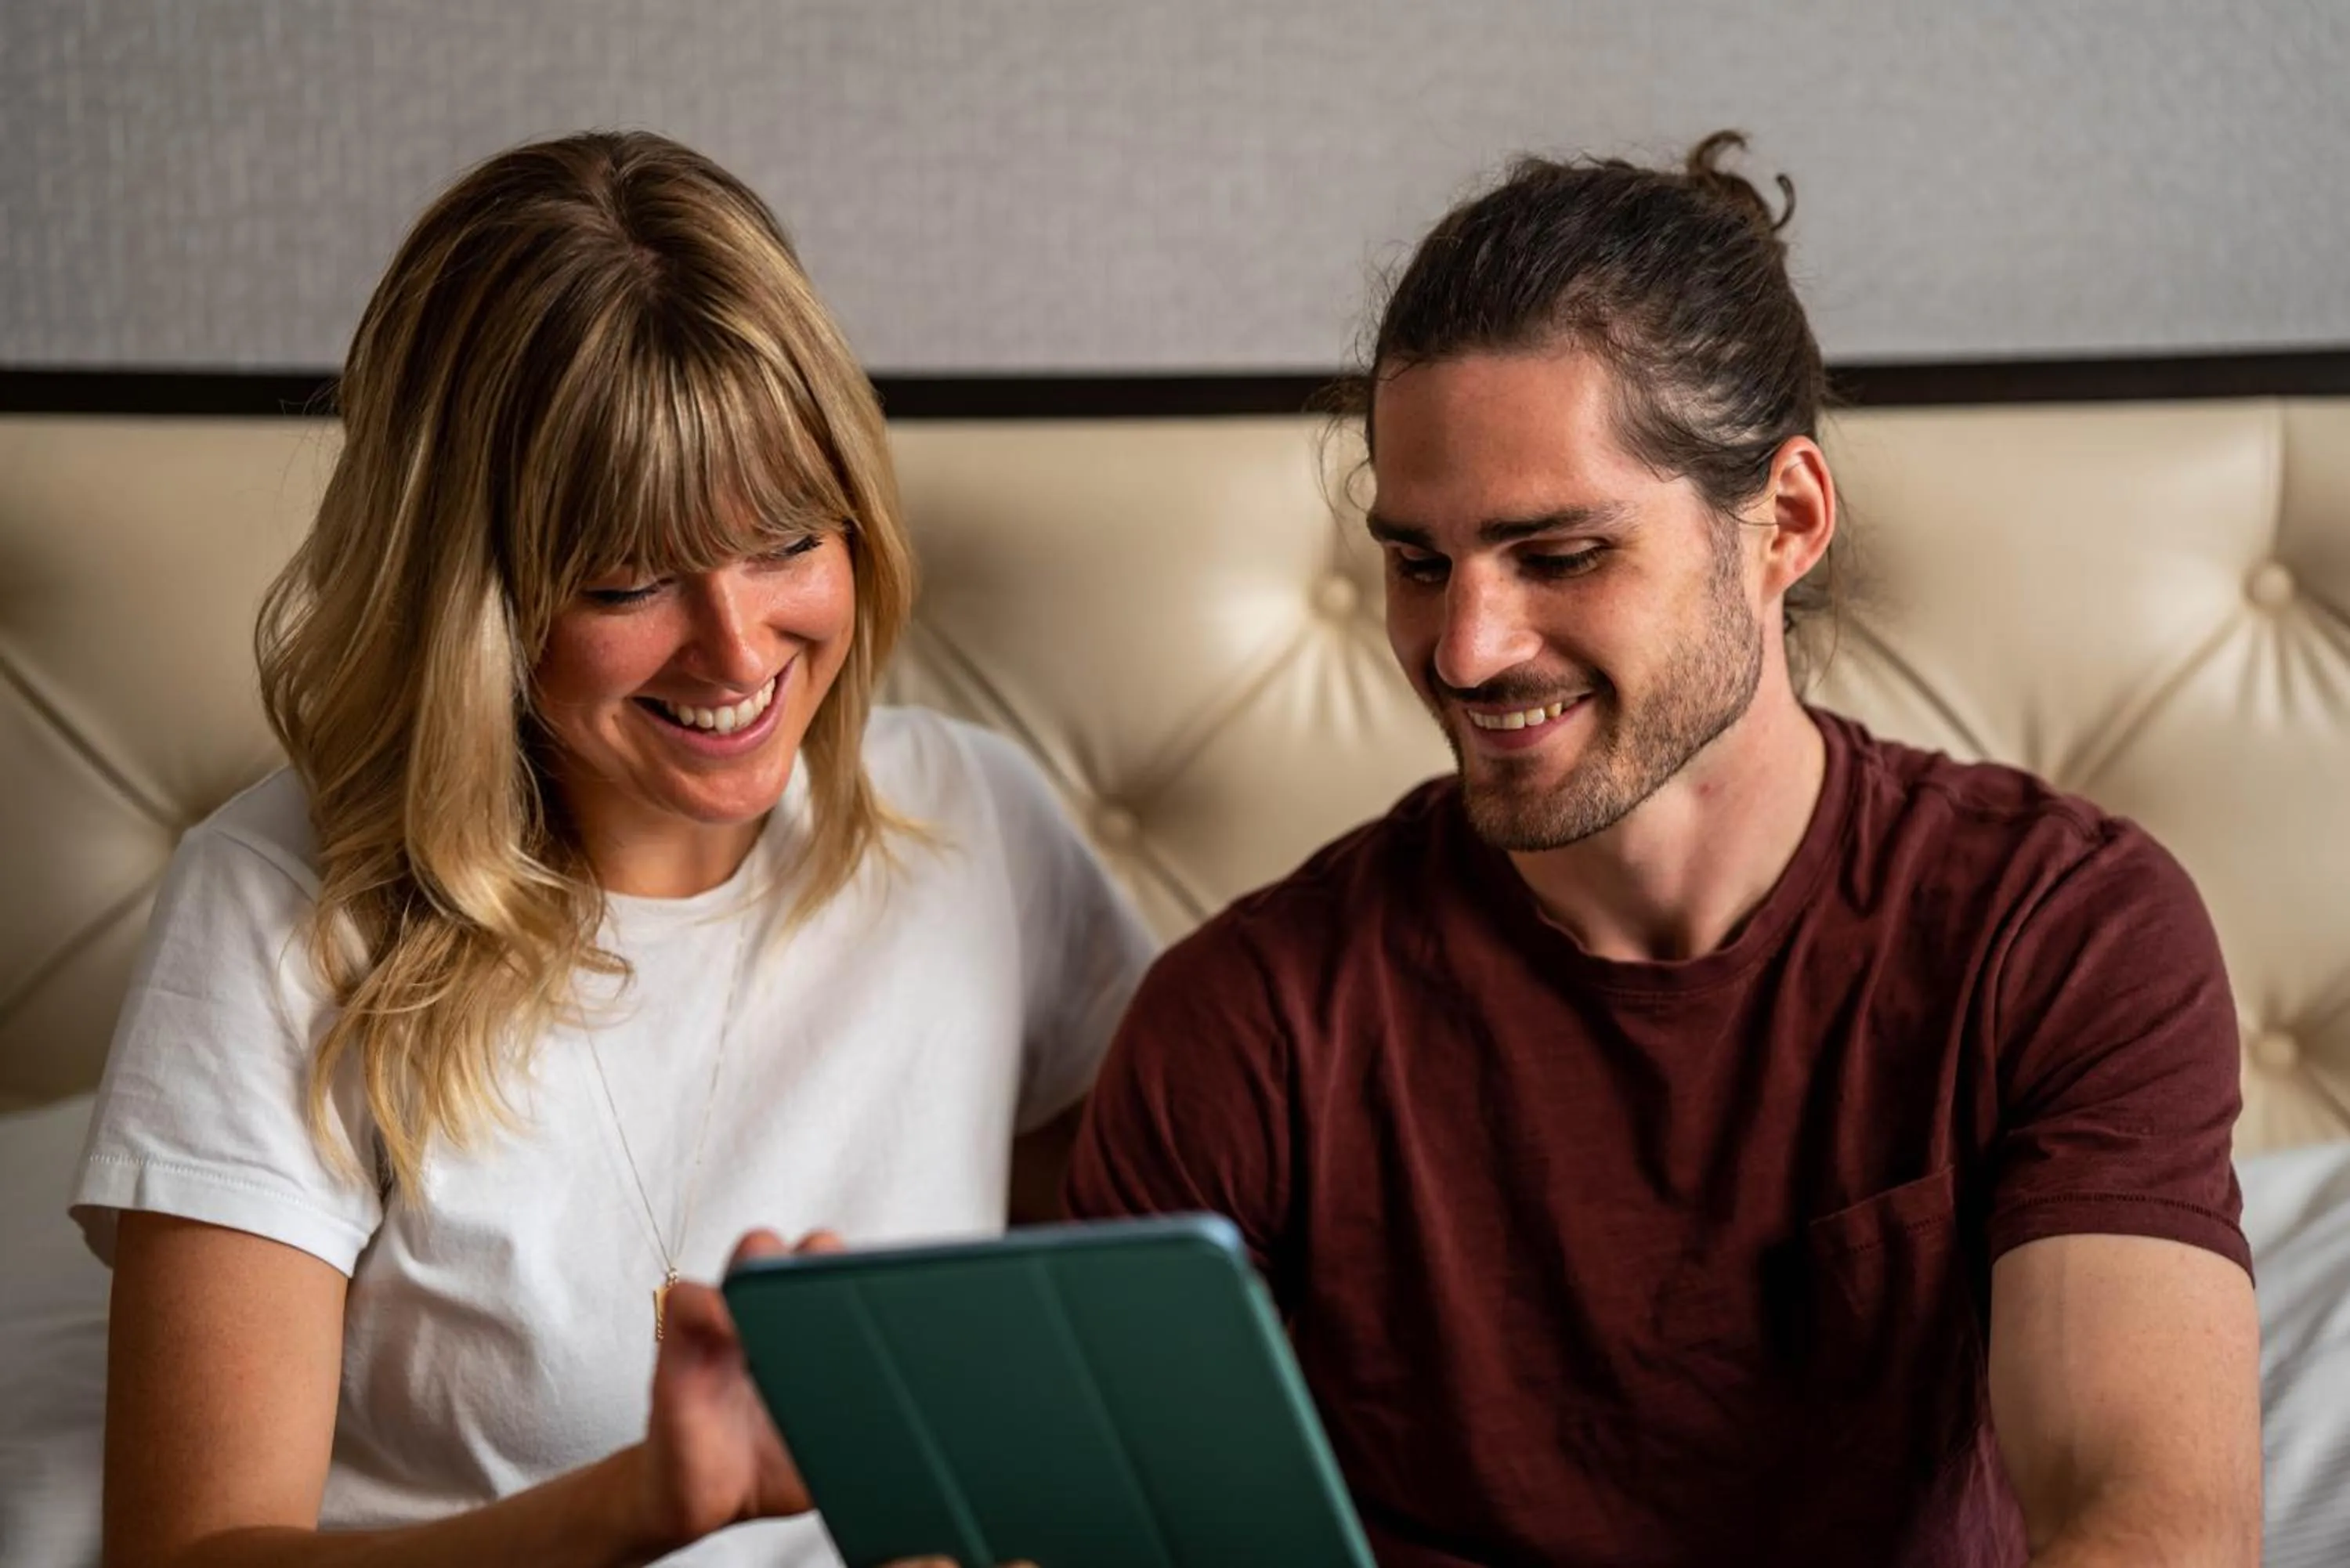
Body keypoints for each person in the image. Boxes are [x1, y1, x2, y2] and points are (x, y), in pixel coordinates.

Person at [1067, 132, 2261, 1566]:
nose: (1465, 648)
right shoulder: (1244, 1022)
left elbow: (2155, 1525)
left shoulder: (2057, 934)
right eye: (1419, 562)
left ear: (1785, 523)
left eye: (1561, 555)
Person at [71, 131, 1155, 1568]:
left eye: (786, 540)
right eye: (629, 580)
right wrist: (641, 1504)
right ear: (474, 598)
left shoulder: (975, 821)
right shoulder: (280, 910)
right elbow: (190, 1554)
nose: (737, 651)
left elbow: (1134, 1339)